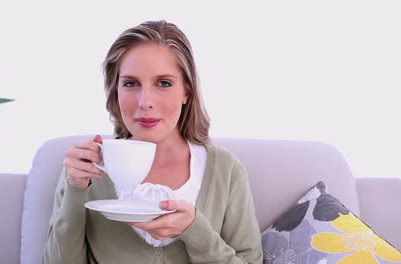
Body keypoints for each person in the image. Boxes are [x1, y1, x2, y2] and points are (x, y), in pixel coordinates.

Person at [43, 20, 263, 264]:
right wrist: (76, 190)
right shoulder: (85, 168)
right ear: (115, 91)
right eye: (130, 83)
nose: (145, 101)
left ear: (186, 92)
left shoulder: (226, 170)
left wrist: (195, 231)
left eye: (164, 83)